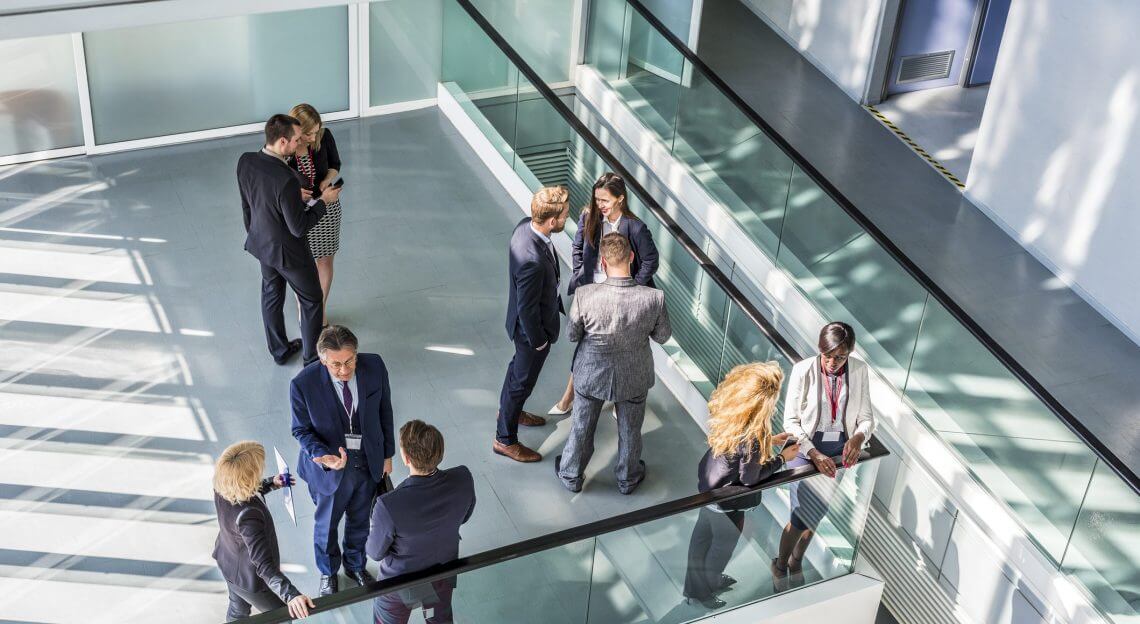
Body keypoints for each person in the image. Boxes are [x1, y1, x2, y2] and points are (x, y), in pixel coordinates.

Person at [555, 232, 671, 494]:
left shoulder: (585, 295)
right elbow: (663, 337)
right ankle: (628, 478)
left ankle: (572, 474)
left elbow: (572, 335)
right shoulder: (654, 298)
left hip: (591, 374)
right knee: (631, 429)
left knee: (582, 426)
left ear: (603, 264)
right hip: (634, 376)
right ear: (631, 258)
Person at [681, 362, 799, 609]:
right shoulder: (753, 437)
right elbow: (749, 478)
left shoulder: (734, 415)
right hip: (727, 504)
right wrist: (781, 459)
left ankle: (693, 588)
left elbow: (741, 450)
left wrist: (769, 440)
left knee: (700, 540)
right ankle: (706, 590)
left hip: (709, 491)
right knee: (721, 549)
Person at [291, 325, 395, 596]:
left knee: (361, 519)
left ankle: (355, 564)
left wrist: (387, 454)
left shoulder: (375, 366)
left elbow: (385, 409)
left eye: (349, 361)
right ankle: (328, 572)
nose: (344, 370)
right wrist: (321, 456)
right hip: (330, 470)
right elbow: (300, 430)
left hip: (367, 461)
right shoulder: (303, 384)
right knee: (327, 525)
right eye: (336, 364)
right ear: (323, 359)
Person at [771, 322, 876, 587]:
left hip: (838, 454)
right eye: (827, 355)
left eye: (840, 357)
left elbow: (866, 418)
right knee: (798, 516)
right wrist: (814, 453)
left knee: (817, 514)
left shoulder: (859, 371)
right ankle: (781, 564)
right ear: (820, 349)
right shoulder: (803, 370)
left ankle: (797, 560)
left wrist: (859, 436)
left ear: (850, 353)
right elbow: (791, 422)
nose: (832, 362)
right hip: (803, 451)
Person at [549, 172, 659, 416]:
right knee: (586, 346)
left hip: (624, 296)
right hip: (595, 292)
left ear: (620, 199)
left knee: (624, 348)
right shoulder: (590, 218)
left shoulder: (636, 227)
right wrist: (580, 272)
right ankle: (569, 397)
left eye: (605, 201)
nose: (600, 205)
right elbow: (578, 247)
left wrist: (634, 286)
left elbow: (651, 260)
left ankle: (621, 399)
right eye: (597, 199)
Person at [237, 114, 342, 366]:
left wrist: (257, 233)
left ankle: (280, 351)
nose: (299, 145)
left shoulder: (246, 161)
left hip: (261, 243)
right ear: (282, 142)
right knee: (312, 300)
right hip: (289, 252)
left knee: (272, 294)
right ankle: (312, 361)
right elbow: (299, 227)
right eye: (296, 140)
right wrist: (323, 202)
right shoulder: (286, 179)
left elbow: (248, 206)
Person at [368, 420, 476, 624]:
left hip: (398, 585)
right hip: (443, 573)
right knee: (439, 620)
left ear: (406, 458)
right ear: (440, 452)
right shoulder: (463, 478)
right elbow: (465, 516)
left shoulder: (388, 505)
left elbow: (375, 552)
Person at [494, 186, 570, 463]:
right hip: (530, 333)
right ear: (552, 221)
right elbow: (527, 310)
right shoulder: (532, 261)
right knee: (521, 382)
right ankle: (505, 439)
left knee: (517, 373)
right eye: (564, 216)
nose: (566, 220)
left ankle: (508, 411)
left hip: (523, 327)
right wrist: (539, 341)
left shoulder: (525, 226)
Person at [211, 441, 315, 621]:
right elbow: (264, 566)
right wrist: (291, 595)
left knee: (237, 611)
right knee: (283, 618)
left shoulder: (222, 485)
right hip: (250, 581)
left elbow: (245, 489)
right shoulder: (248, 517)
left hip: (227, 562)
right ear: (249, 476)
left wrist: (270, 483)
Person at [288, 103, 343, 327]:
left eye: (316, 131)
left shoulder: (323, 135)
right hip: (299, 213)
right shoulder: (285, 147)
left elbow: (335, 164)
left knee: (325, 260)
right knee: (302, 265)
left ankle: (320, 308)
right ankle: (305, 307)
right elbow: (274, 178)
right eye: (308, 133)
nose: (313, 137)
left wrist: (326, 180)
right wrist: (293, 192)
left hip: (327, 207)